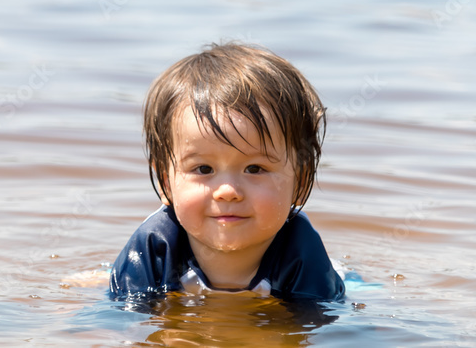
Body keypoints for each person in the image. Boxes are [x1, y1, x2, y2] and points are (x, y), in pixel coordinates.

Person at [108, 42, 345, 302]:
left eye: (255, 169)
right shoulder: (156, 246)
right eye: (204, 169)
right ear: (166, 182)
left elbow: (316, 328)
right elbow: (123, 323)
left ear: (299, 183)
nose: (228, 192)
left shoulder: (301, 254)